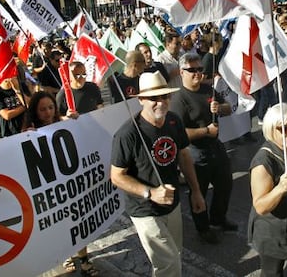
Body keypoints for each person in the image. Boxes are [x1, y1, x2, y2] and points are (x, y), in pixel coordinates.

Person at [110, 71, 205, 277]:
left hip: (172, 203)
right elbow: (116, 176)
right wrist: (150, 193)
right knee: (168, 263)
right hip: (145, 209)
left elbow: (184, 156)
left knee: (173, 257)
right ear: (141, 99)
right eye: (154, 98)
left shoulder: (174, 121)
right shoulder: (128, 134)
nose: (160, 102)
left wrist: (196, 191)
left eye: (165, 96)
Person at [170, 53, 237, 245]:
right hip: (195, 153)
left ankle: (218, 218)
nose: (198, 73)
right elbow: (179, 133)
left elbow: (227, 108)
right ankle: (203, 228)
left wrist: (220, 108)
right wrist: (205, 131)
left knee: (225, 185)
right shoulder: (179, 99)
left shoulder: (208, 89)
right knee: (198, 192)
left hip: (216, 147)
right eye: (192, 70)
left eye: (200, 69)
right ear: (182, 72)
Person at [248, 103, 287, 276]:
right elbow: (260, 206)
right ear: (270, 128)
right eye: (284, 128)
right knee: (272, 273)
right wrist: (279, 189)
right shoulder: (263, 161)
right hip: (273, 231)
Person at [56, 61, 103, 276]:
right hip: (67, 158)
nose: (82, 78)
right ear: (69, 76)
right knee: (68, 210)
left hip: (91, 151)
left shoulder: (92, 88)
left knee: (83, 209)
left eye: (84, 73)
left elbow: (101, 110)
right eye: (77, 75)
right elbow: (53, 124)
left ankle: (83, 257)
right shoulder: (61, 97)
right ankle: (67, 253)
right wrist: (65, 119)